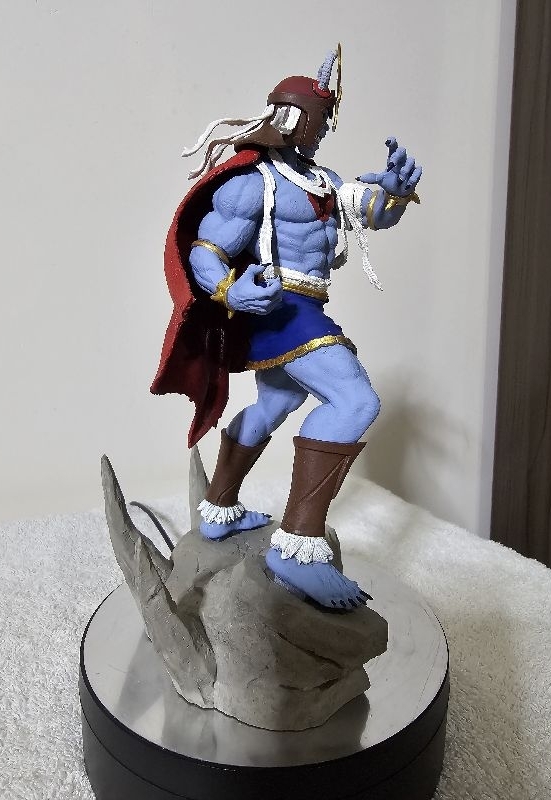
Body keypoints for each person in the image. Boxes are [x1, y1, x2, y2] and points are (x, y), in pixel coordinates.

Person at [151, 46, 422, 611]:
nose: (323, 130)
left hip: (303, 308)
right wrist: (230, 291)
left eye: (327, 121)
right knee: (356, 402)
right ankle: (298, 547)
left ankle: (219, 509)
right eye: (318, 119)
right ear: (292, 117)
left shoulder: (323, 180)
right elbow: (206, 250)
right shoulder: (254, 182)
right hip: (280, 309)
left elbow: (370, 211)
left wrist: (395, 192)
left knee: (276, 403)